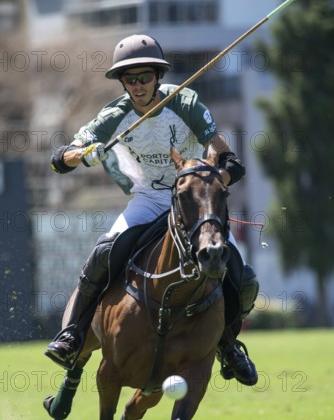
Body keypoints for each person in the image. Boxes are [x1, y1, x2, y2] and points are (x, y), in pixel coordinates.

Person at [45, 34, 259, 389]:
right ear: (123, 82)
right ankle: (72, 335)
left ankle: (229, 346)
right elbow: (58, 160)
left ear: (158, 77)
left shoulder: (185, 102)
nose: (139, 85)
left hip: (192, 198)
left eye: (145, 76)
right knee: (103, 253)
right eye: (131, 79)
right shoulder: (116, 114)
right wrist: (84, 154)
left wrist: (210, 178)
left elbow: (230, 159)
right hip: (149, 197)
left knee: (239, 272)